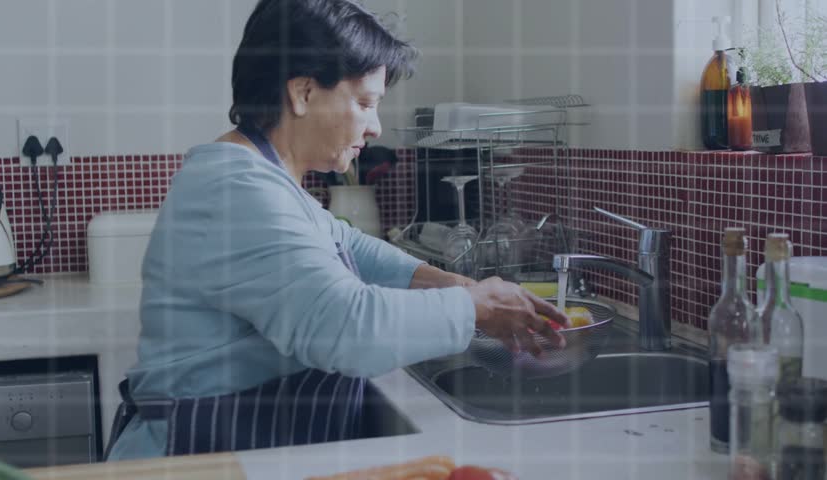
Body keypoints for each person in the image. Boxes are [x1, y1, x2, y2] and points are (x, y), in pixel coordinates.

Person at [105, 0, 567, 461]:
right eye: (366, 103)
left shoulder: (262, 177)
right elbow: (345, 330)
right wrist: (475, 306)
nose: (375, 127)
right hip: (199, 460)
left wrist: (462, 285)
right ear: (303, 92)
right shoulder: (237, 190)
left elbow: (350, 245)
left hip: (235, 446)